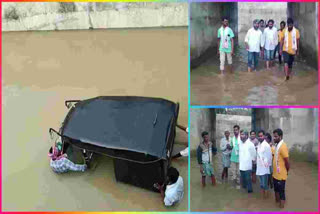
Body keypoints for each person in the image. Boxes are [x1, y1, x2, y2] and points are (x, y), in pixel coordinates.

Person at [272, 128, 290, 208]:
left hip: (281, 175)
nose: (274, 138)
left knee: (281, 192)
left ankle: (281, 207)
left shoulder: (283, 146)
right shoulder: (277, 145)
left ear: (280, 136)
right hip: (275, 173)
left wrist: (286, 171)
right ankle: (277, 203)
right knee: (276, 190)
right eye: (274, 136)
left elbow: (287, 162)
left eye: (276, 136)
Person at [256, 130, 272, 199]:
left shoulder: (267, 145)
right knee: (261, 184)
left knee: (265, 184)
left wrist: (266, 166)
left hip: (264, 168)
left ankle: (265, 198)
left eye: (261, 136)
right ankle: (263, 198)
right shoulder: (259, 144)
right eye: (259, 136)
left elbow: (269, 157)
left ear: (264, 136)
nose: (260, 137)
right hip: (259, 167)